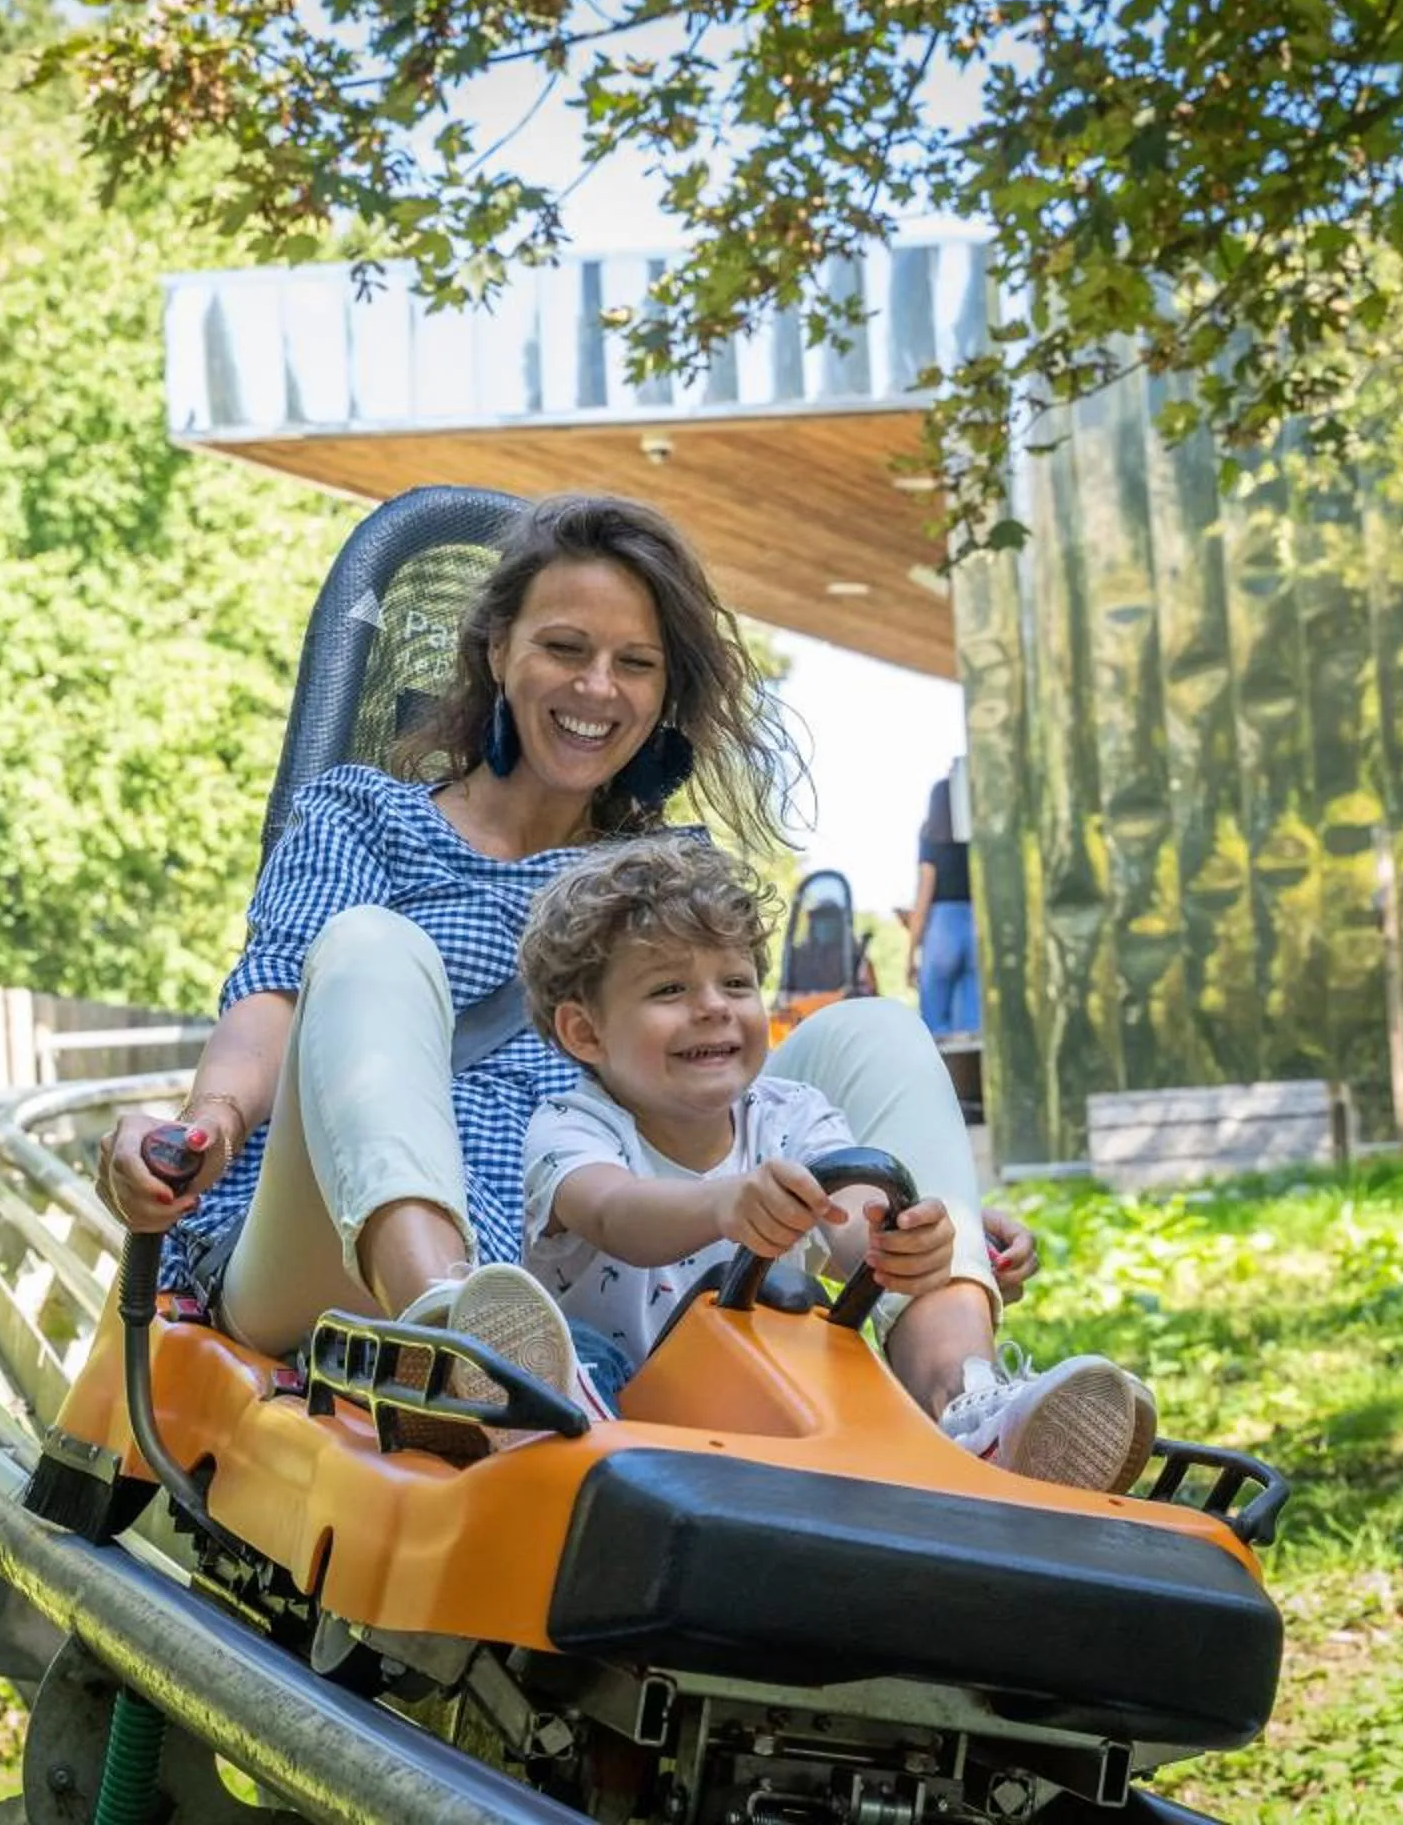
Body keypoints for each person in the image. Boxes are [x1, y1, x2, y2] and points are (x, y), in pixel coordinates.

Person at [96, 492, 1075, 1462]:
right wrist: (206, 1125)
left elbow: (734, 1098)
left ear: (664, 690)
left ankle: (968, 1398)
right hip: (333, 1252)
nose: (597, 688)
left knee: (876, 1030)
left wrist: (915, 1216)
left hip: (580, 1284)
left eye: (634, 663)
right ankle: (454, 1334)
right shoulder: (367, 819)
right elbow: (273, 1000)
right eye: (565, 648)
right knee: (369, 944)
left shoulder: (669, 876)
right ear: (498, 652)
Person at [520, 835, 1158, 1492]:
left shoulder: (792, 1113)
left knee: (828, 1344)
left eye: (736, 983)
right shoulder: (572, 1125)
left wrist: (903, 1243)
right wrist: (724, 1205)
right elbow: (613, 1213)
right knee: (574, 1353)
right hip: (630, 1405)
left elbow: (853, 1215)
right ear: (585, 1033)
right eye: (669, 989)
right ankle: (547, 1417)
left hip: (767, 1402)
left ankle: (980, 1430)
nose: (714, 1007)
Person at [910, 760, 980, 1038]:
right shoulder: (978, 836)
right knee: (973, 1027)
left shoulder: (931, 836)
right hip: (975, 923)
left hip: (942, 926)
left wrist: (911, 953)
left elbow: (923, 896)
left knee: (935, 1028)